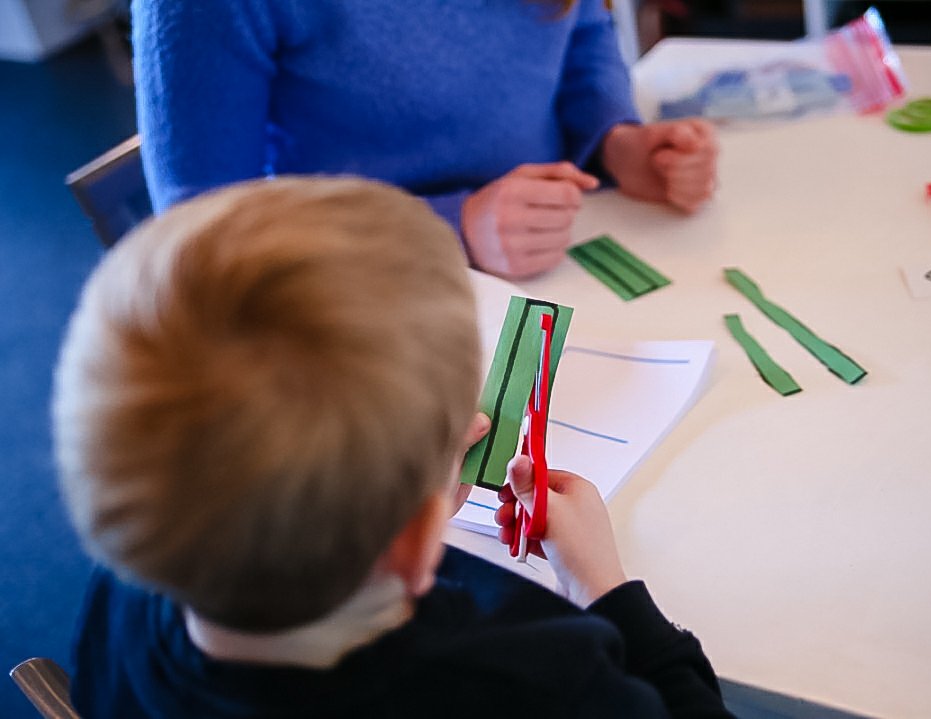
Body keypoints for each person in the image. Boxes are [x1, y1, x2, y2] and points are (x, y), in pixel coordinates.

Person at [53, 177, 732, 717]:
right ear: (413, 548)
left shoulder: (123, 598)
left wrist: (405, 490)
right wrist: (606, 590)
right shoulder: (546, 681)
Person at [132, 0, 719, 279]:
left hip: (554, 261)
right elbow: (201, 227)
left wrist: (616, 140)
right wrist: (453, 227)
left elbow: (581, 26)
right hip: (358, 287)